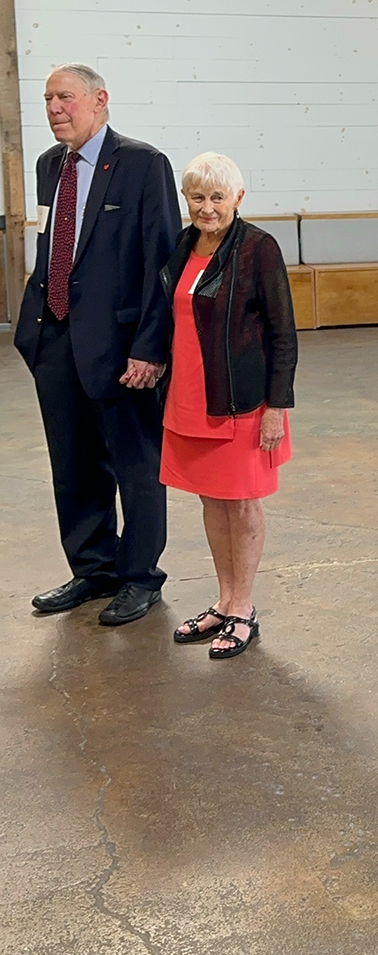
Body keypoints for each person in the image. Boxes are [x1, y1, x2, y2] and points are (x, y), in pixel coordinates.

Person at [16, 65, 181, 625]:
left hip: (122, 347)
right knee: (73, 462)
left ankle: (139, 577)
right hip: (55, 338)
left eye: (65, 97)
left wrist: (151, 348)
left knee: (136, 465)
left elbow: (162, 263)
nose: (54, 108)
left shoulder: (142, 164)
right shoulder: (48, 166)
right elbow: (51, 243)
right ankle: (93, 569)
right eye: (47, 99)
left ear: (100, 100)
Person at [162, 153, 297, 659]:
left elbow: (284, 334)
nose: (207, 207)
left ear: (238, 198)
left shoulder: (259, 248)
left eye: (218, 197)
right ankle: (223, 599)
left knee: (242, 502)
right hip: (191, 397)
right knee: (210, 498)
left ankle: (243, 608)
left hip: (242, 401)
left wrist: (276, 407)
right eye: (197, 196)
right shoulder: (184, 243)